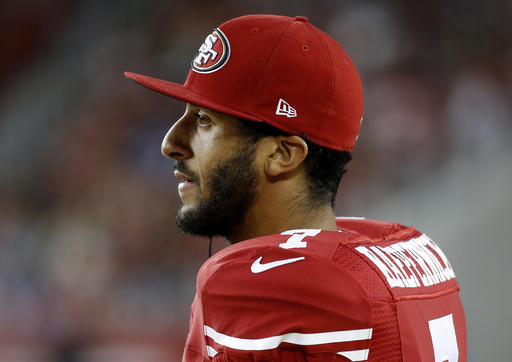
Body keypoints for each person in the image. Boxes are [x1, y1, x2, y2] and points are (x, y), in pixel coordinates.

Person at [125, 14, 467, 362]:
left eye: (203, 120)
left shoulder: (252, 283)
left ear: (283, 154)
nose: (171, 142)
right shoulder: (416, 253)